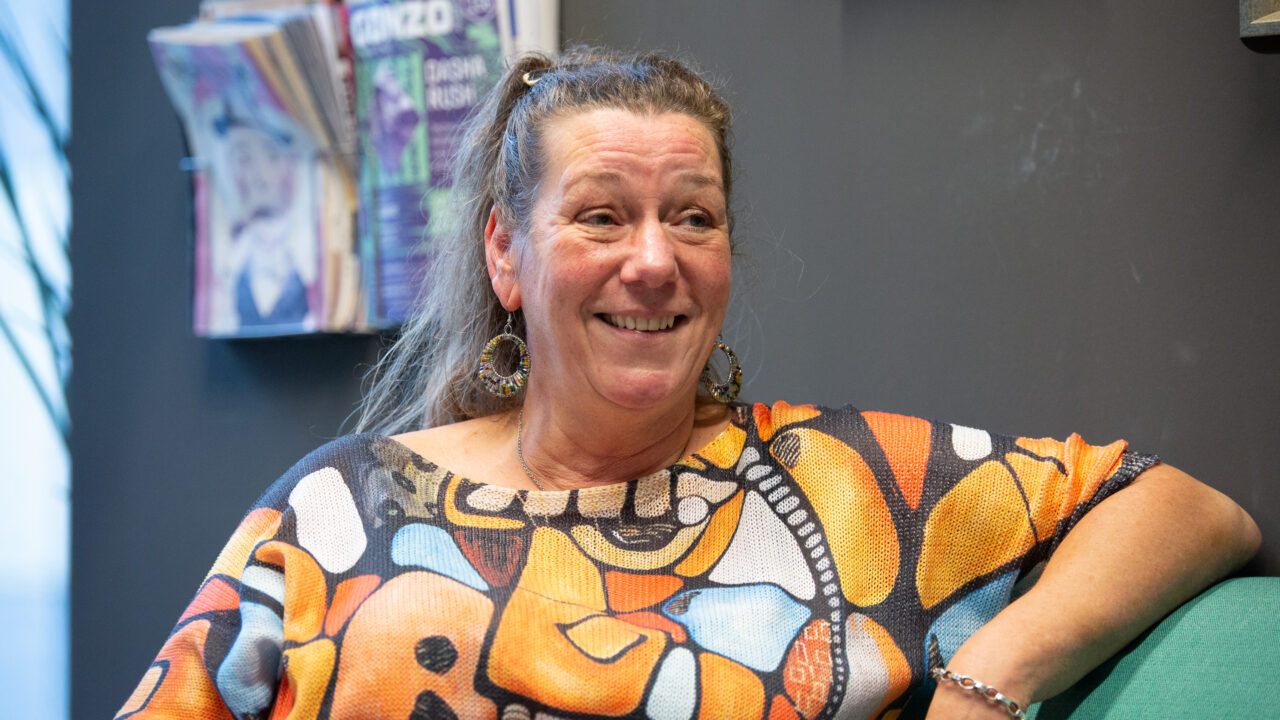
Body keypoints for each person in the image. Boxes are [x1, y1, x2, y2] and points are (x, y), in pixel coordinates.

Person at [116, 48, 1260, 720]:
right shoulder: (337, 509)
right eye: (601, 216)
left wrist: (982, 686)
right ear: (506, 253)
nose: (654, 261)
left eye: (693, 218)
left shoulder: (847, 483)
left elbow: (1183, 509)